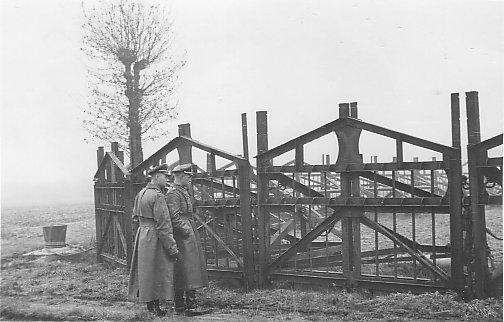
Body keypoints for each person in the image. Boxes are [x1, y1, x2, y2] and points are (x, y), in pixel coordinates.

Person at [128, 164, 190, 316]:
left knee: (146, 271)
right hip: (154, 236)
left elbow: (134, 218)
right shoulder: (158, 196)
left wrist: (141, 233)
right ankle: (155, 307)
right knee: (157, 270)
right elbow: (163, 224)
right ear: (156, 176)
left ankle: (151, 305)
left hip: (142, 235)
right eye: (165, 176)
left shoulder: (141, 193)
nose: (167, 179)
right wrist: (172, 248)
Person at [165, 163, 210, 316]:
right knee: (183, 269)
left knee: (191, 268)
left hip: (188, 231)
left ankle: (189, 304)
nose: (190, 179)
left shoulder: (181, 191)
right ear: (182, 176)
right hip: (182, 236)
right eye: (188, 176)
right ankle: (182, 306)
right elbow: (174, 216)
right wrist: (185, 231)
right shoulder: (173, 193)